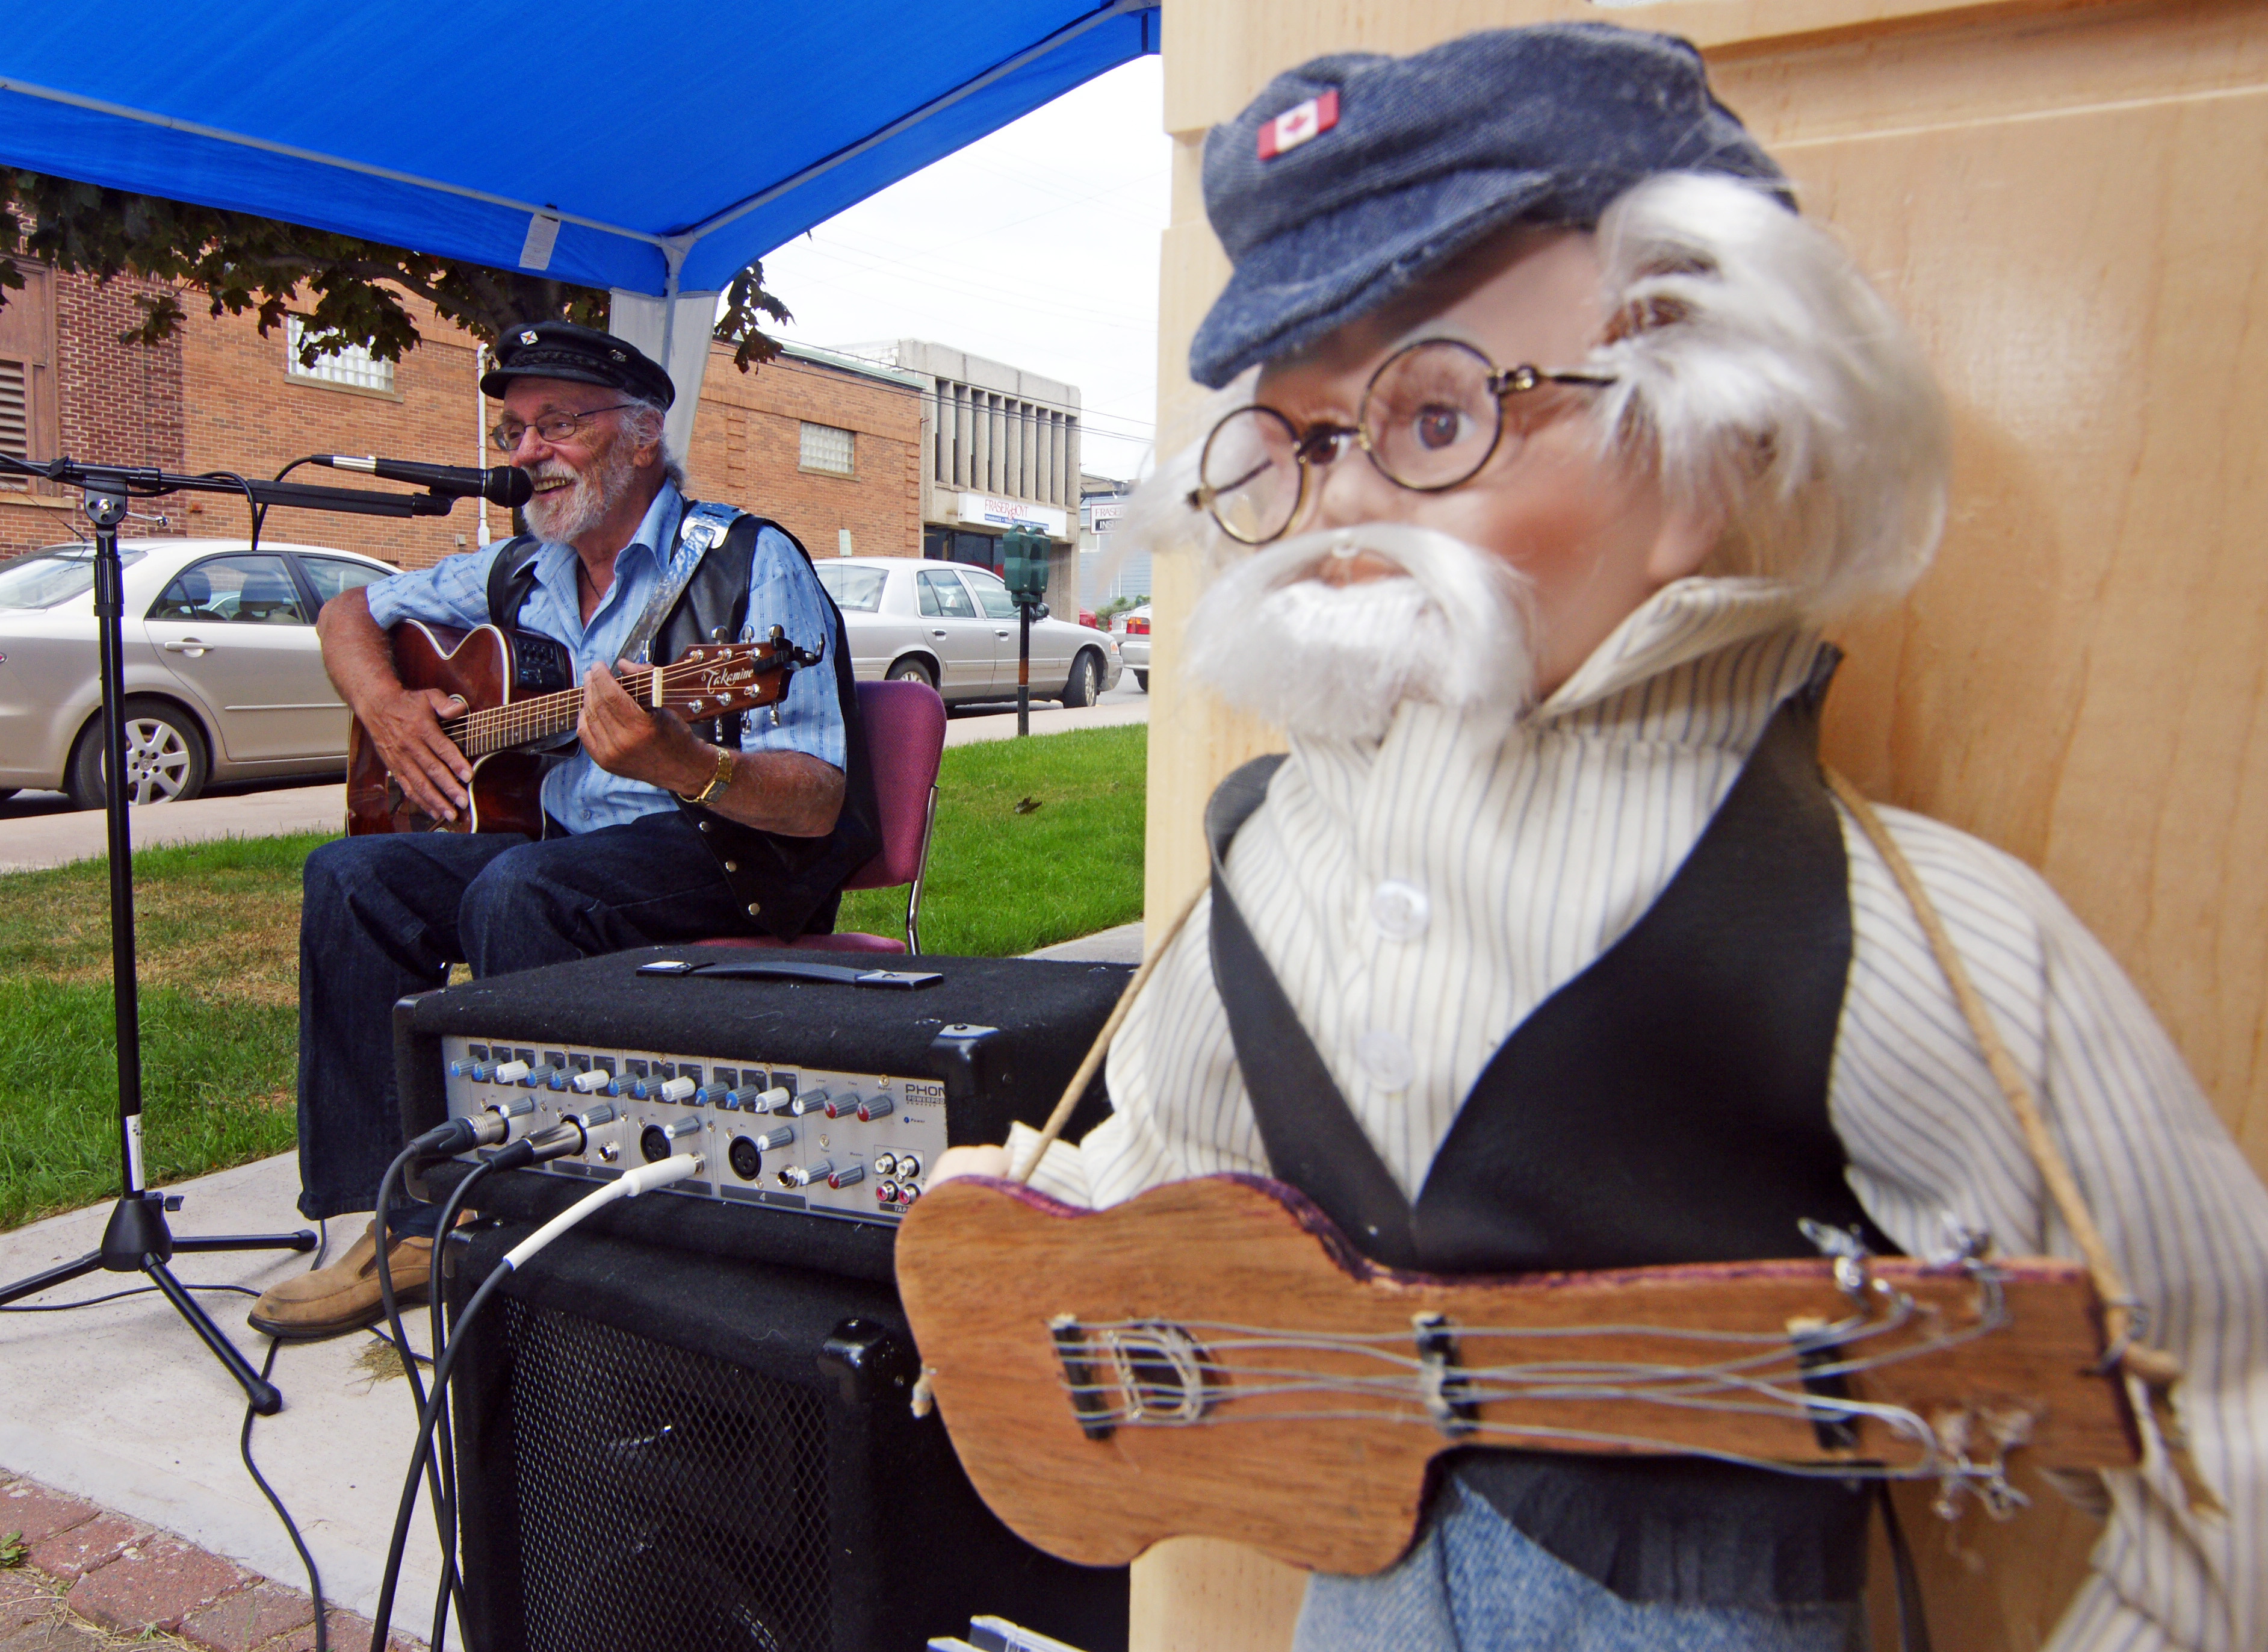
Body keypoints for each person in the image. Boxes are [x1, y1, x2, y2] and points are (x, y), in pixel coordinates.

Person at [932, 24, 2268, 1650]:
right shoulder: (1266, 868)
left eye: (1435, 420)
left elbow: (2225, 1400)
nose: (1341, 507)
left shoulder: (1859, 924)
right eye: (1293, 443)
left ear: (1708, 435)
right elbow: (1182, 1172)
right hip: (1354, 1586)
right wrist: (1024, 1244)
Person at [249, 321, 879, 1341]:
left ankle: (534, 1220)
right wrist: (392, 709)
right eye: (514, 430)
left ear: (640, 438)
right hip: (563, 852)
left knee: (522, 892)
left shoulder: (749, 564)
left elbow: (811, 800)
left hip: (722, 853)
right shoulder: (518, 571)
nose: (526, 451)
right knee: (352, 876)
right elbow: (348, 613)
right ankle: (402, 1216)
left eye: (558, 425)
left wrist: (686, 761)